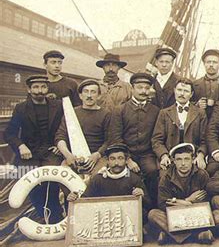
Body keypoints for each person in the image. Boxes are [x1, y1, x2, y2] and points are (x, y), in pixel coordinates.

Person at [4, 75, 64, 223]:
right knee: (31, 183)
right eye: (36, 87)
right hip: (29, 154)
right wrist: (20, 145)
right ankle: (40, 214)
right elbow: (9, 133)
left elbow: (66, 129)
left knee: (53, 182)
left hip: (51, 152)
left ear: (47, 88)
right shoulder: (21, 108)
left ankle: (55, 216)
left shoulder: (57, 106)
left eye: (43, 87)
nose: (40, 91)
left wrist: (60, 144)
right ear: (29, 89)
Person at [147, 143, 219, 245]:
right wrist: (187, 201)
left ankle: (172, 235)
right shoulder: (166, 178)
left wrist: (178, 202)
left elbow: (208, 200)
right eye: (179, 159)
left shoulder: (202, 174)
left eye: (186, 159)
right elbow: (162, 204)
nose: (183, 163)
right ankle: (197, 236)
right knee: (153, 214)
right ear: (173, 161)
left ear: (193, 159)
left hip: (197, 216)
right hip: (175, 216)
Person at [109, 72, 161, 207]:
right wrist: (128, 159)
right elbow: (115, 138)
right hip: (126, 154)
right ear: (132, 88)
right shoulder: (120, 110)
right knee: (124, 174)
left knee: (152, 171)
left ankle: (150, 210)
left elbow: (157, 136)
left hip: (147, 154)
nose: (143, 91)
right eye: (139, 87)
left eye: (146, 88)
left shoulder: (156, 111)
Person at [67, 143, 151, 212]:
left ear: (126, 160)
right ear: (107, 161)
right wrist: (75, 198)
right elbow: (85, 201)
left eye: (120, 158)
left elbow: (148, 206)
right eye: (112, 159)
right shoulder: (98, 179)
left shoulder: (134, 179)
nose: (116, 163)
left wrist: (141, 195)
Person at [55, 79, 111, 175]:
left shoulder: (106, 114)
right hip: (74, 156)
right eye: (86, 92)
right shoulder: (71, 113)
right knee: (64, 177)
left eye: (93, 92)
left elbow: (110, 140)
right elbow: (60, 137)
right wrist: (68, 155)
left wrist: (97, 155)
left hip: (98, 157)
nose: (89, 96)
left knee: (97, 178)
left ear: (99, 96)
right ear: (80, 96)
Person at [152, 78, 208, 172]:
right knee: (164, 177)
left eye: (186, 91)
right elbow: (157, 140)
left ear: (191, 94)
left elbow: (205, 140)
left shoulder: (200, 113)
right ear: (174, 91)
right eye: (179, 90)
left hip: (192, 158)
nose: (182, 94)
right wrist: (164, 156)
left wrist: (201, 156)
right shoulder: (164, 113)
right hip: (171, 158)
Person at [192, 49, 219, 119]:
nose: (211, 65)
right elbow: (188, 104)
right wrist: (197, 104)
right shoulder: (195, 84)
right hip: (200, 122)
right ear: (204, 64)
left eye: (215, 62)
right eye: (208, 62)